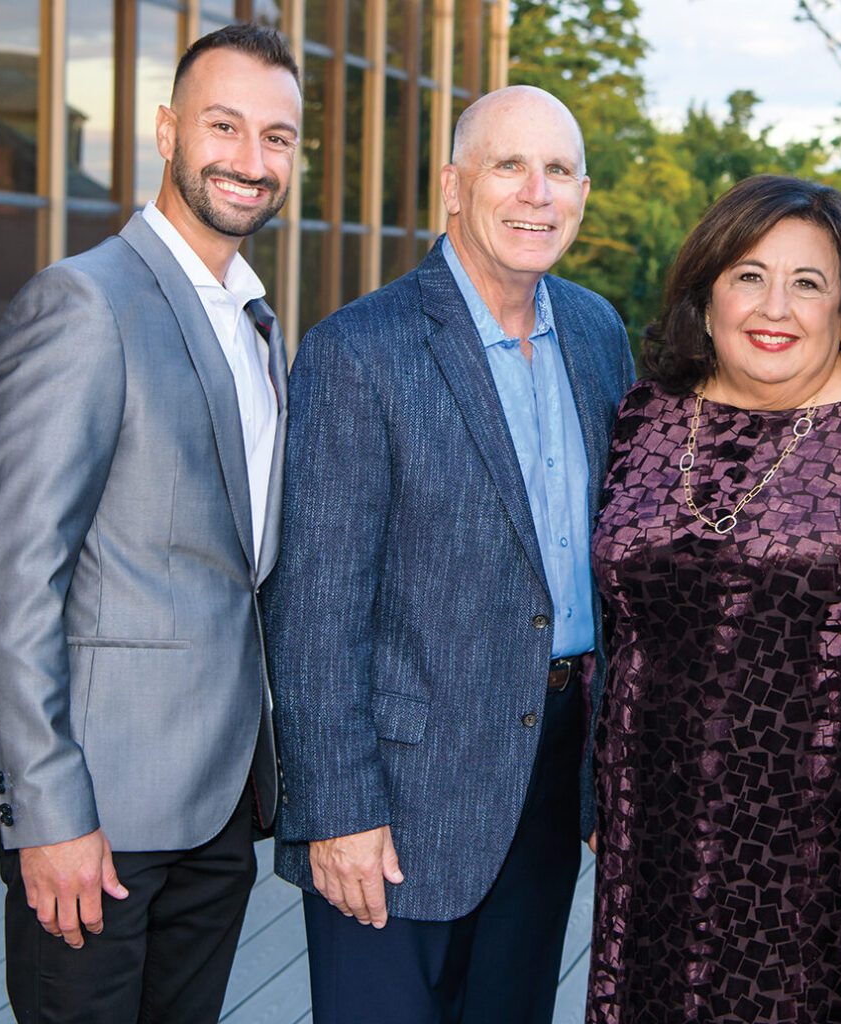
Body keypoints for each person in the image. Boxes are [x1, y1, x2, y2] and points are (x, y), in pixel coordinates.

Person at [263, 84, 634, 1024]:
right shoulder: (359, 350)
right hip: (396, 795)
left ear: (583, 193)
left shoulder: (596, 334)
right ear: (452, 188)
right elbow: (315, 610)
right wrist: (338, 811)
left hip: (549, 771)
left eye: (557, 171)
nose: (535, 194)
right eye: (508, 165)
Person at [0, 23, 301, 1024]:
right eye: (225, 126)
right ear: (166, 132)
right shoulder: (83, 303)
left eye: (279, 137)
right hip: (97, 819)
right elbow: (13, 582)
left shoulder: (255, 318)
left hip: (221, 808)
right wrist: (48, 815)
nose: (252, 162)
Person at [587, 174, 841, 1023]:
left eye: (806, 283)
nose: (775, 307)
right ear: (706, 295)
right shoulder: (642, 418)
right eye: (749, 275)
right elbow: (622, 632)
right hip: (659, 832)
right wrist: (604, 796)